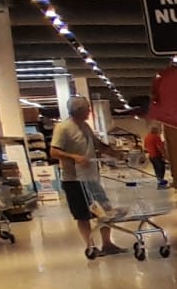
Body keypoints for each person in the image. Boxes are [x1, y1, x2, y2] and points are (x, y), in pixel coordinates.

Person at [50, 96, 123, 260]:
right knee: (83, 215)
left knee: (104, 210)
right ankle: (90, 246)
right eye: (87, 109)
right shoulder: (63, 128)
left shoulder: (85, 126)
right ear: (78, 110)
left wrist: (114, 153)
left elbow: (97, 144)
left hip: (90, 177)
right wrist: (74, 157)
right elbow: (54, 152)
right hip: (74, 180)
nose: (89, 111)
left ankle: (108, 244)